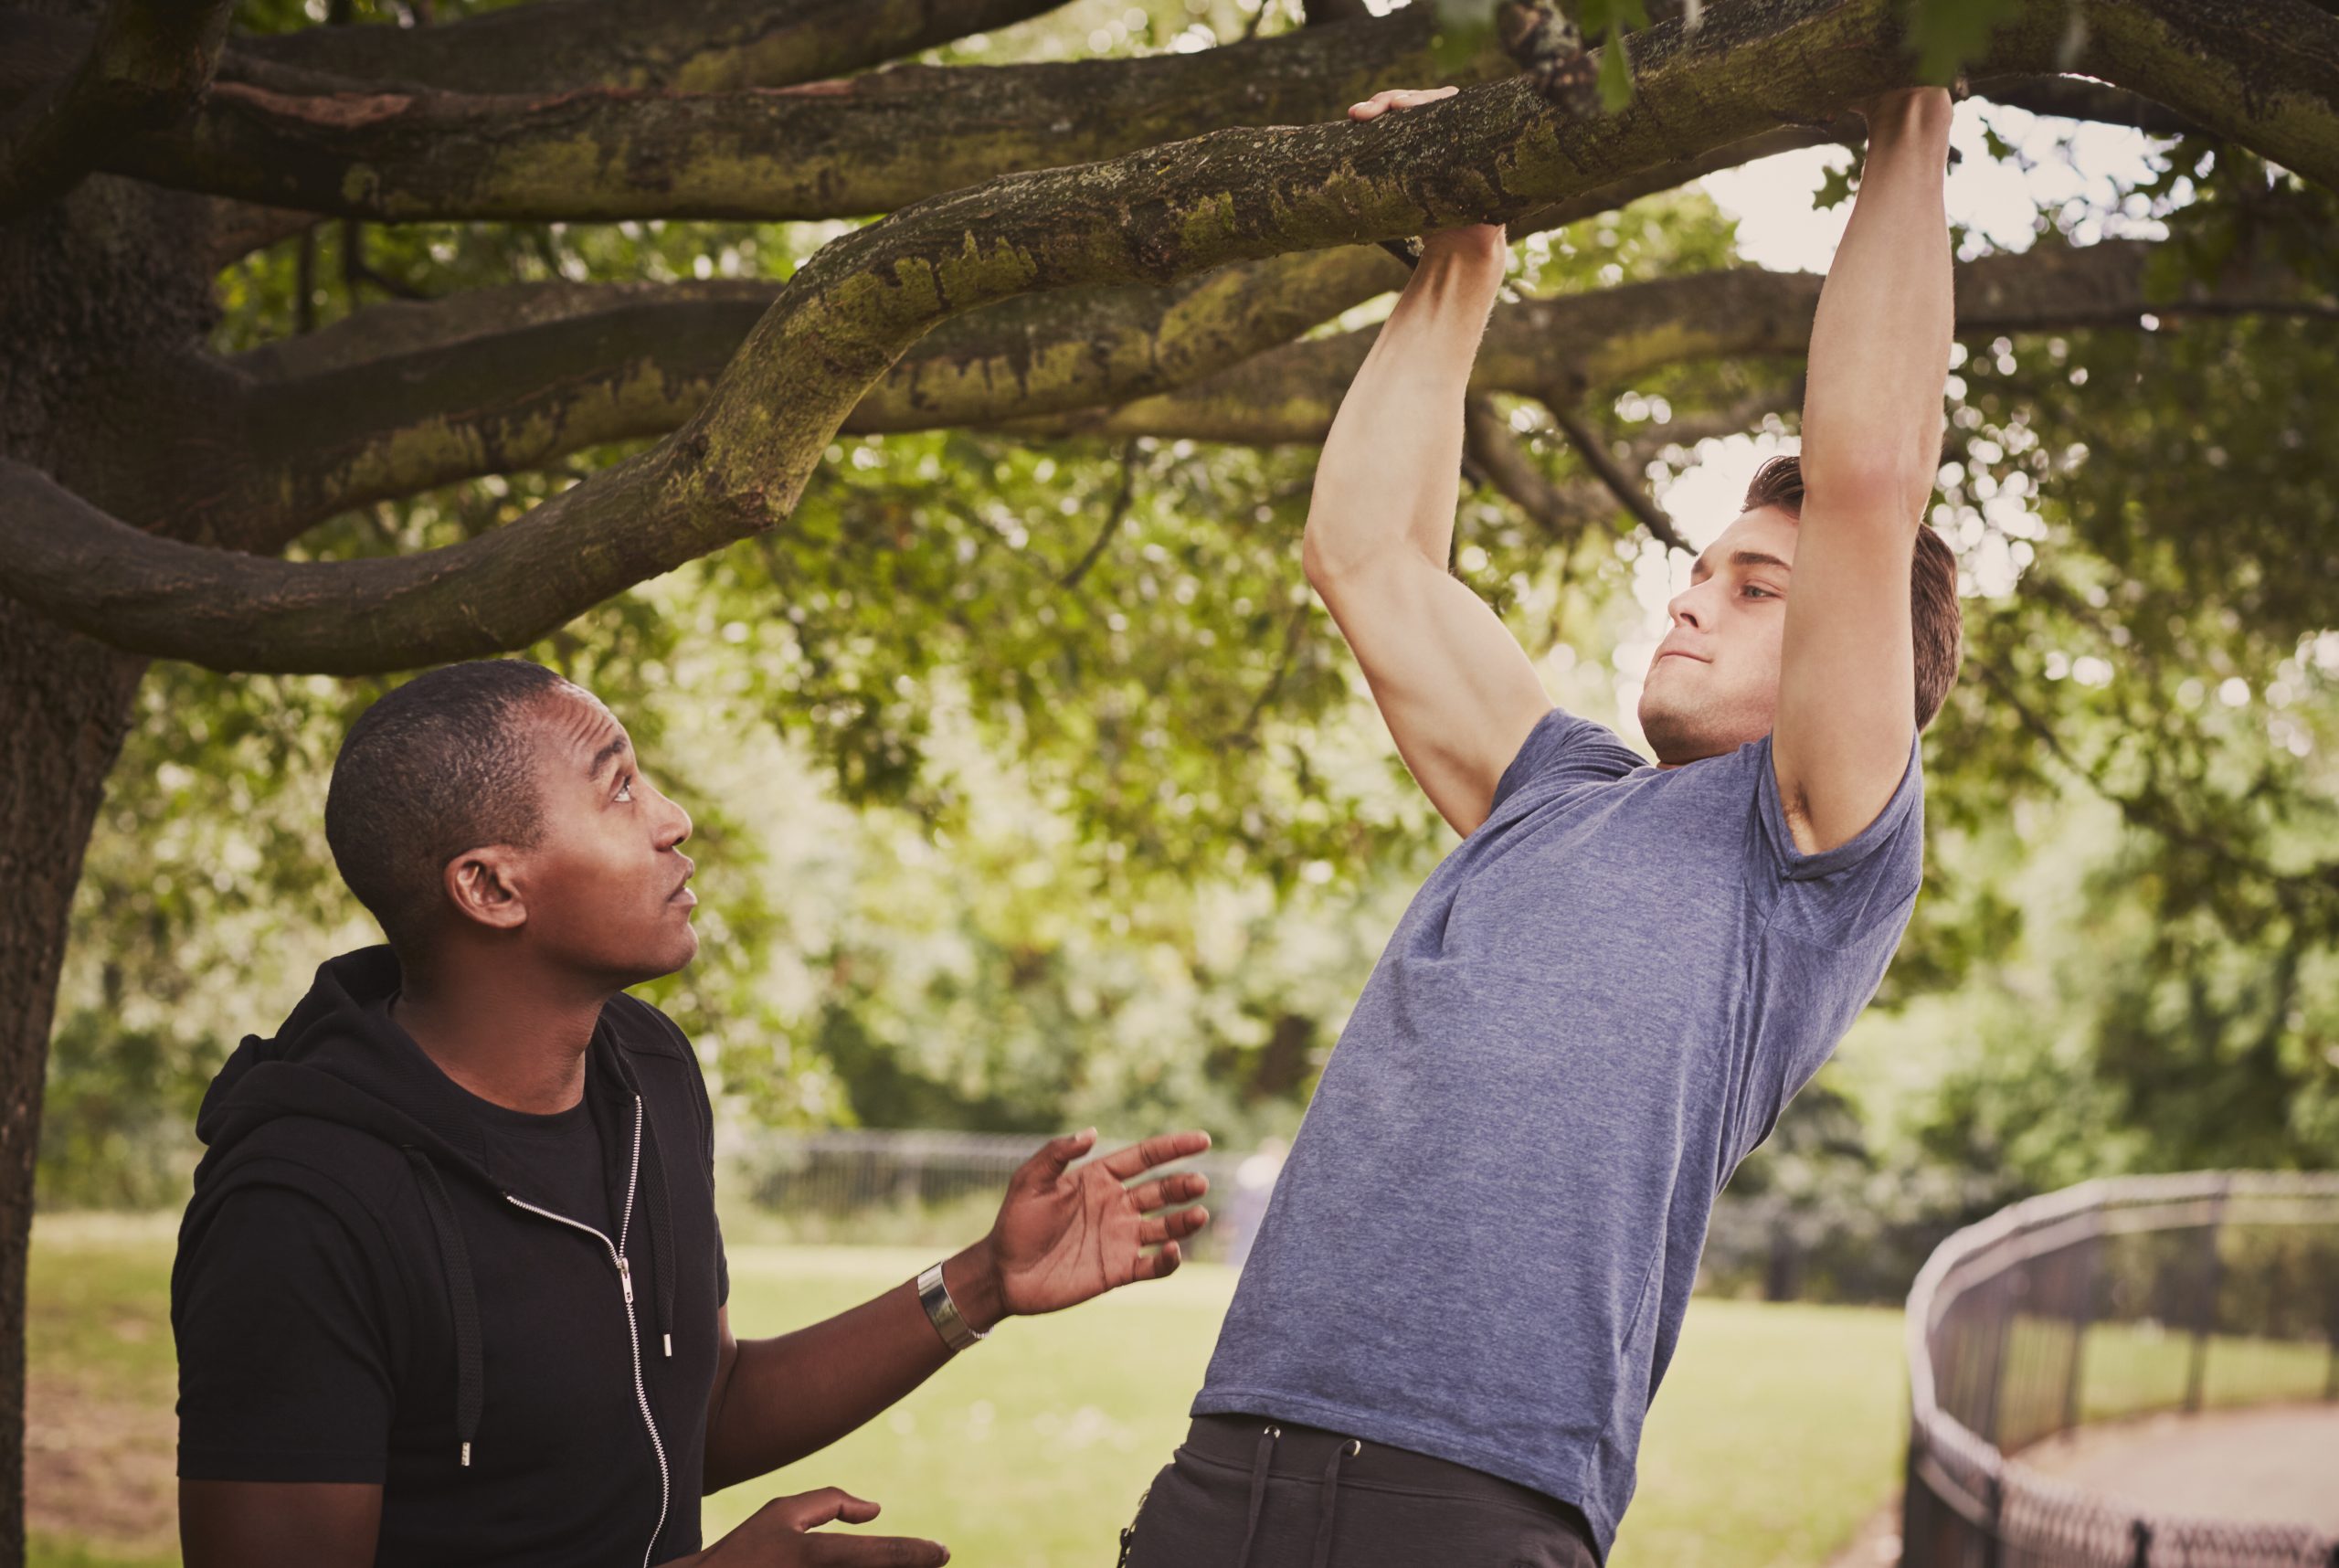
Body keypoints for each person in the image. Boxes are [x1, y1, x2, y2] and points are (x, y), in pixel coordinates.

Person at [1120, 80, 1962, 1568]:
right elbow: (1366, 553)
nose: (1695, 595)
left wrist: (1911, 98)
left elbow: (1871, 482)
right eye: (1699, 570)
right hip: (1226, 1466)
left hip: (1473, 1505)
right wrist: (1464, 236)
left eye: (1761, 587)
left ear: (1856, 653)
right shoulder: (1548, 789)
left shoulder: (1815, 857)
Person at [172, 658, 1214, 1568]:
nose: (673, 818)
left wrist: (983, 1282)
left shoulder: (647, 1073)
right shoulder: (302, 1210)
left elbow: (695, 1412)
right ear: (490, 888)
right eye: (619, 790)